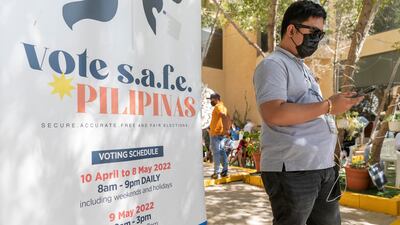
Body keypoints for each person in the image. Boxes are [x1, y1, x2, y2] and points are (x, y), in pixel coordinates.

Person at [252, 1, 364, 224]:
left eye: (320, 34)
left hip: (322, 166)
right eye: (312, 32)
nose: (316, 39)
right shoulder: (273, 64)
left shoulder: (303, 68)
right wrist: (329, 106)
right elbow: (274, 113)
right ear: (291, 30)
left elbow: (309, 111)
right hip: (293, 170)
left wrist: (338, 105)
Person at [208, 93, 230, 179]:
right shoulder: (224, 107)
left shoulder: (218, 106)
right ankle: (224, 171)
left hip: (215, 134)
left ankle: (216, 173)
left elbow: (224, 116)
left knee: (216, 153)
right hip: (219, 134)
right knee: (222, 152)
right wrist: (227, 129)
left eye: (211, 99)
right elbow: (228, 117)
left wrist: (226, 129)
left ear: (216, 99)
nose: (210, 101)